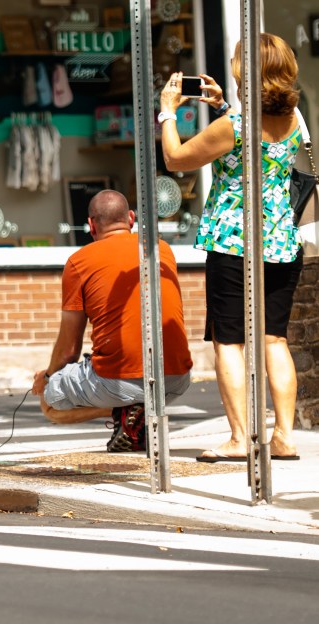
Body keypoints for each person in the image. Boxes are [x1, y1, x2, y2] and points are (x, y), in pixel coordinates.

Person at [160, 34, 304, 462]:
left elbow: (176, 159)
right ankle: (284, 436)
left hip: (233, 243)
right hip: (280, 241)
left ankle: (241, 438)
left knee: (230, 342)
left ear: (248, 72)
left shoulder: (236, 127)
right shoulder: (293, 118)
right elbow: (249, 152)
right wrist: (223, 106)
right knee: (274, 340)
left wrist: (167, 113)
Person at [31, 190, 193, 452]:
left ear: (91, 225)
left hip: (119, 380)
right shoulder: (160, 248)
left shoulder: (79, 262)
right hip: (176, 379)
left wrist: (47, 376)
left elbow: (69, 350)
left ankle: (127, 410)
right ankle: (134, 415)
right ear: (131, 218)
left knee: (49, 401)